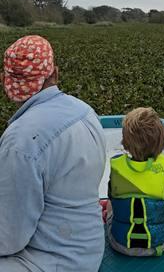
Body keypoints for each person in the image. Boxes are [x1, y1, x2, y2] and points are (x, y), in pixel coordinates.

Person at [0, 35, 106, 272]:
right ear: (55, 74)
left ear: (5, 82)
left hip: (47, 262)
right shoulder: (85, 112)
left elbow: (9, 238)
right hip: (90, 251)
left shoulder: (21, 140)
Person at [106, 107, 164, 256]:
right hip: (158, 245)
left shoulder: (117, 170)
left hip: (119, 243)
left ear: (125, 143)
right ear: (161, 142)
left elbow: (112, 197)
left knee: (110, 203)